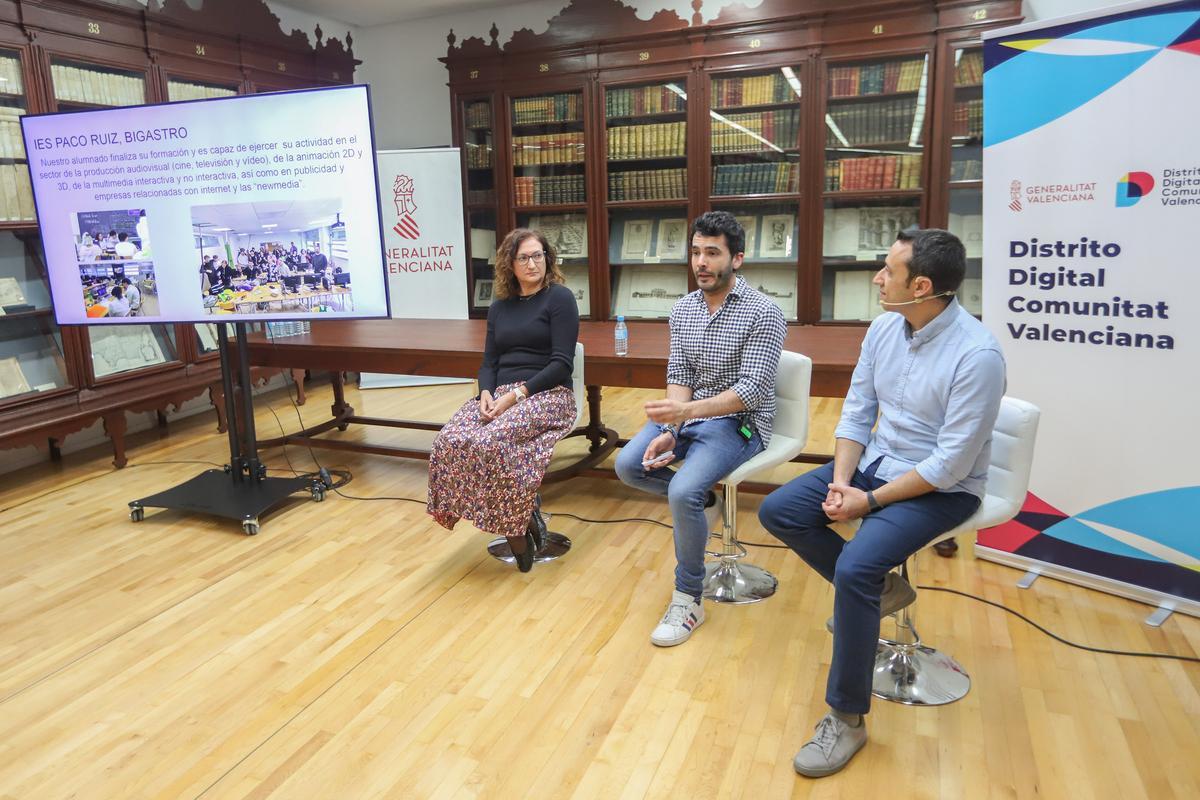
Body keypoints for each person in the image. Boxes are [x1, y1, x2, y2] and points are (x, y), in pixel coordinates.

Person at [757, 228, 1006, 778]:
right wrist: (841, 483)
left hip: (943, 490)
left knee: (854, 565)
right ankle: (883, 590)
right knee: (780, 510)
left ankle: (846, 719)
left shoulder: (977, 355)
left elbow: (949, 466)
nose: (877, 278)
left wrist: (865, 501)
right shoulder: (884, 329)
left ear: (921, 286)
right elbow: (857, 410)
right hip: (874, 466)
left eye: (887, 271)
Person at [614, 210, 787, 647]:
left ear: (738, 259)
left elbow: (749, 392)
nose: (701, 263)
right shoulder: (684, 309)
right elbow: (681, 370)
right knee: (629, 466)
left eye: (712, 253)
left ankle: (689, 597)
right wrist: (672, 422)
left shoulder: (765, 313)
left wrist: (685, 416)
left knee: (679, 490)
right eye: (695, 252)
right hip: (691, 415)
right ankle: (702, 498)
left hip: (741, 424)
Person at [426, 228, 579, 573]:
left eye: (538, 255)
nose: (532, 263)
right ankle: (525, 516)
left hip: (547, 393)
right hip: (500, 394)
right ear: (509, 264)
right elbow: (489, 362)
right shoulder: (499, 307)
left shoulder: (560, 298)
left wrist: (515, 396)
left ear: (547, 259)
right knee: (448, 440)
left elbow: (561, 364)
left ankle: (516, 531)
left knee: (491, 441)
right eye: (523, 257)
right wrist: (484, 392)